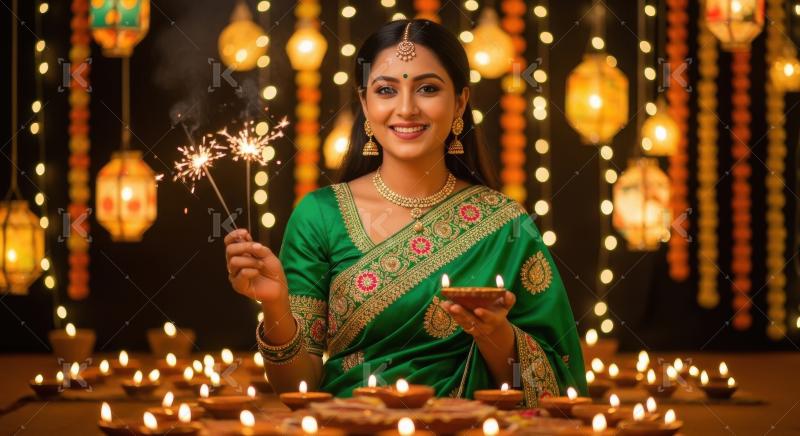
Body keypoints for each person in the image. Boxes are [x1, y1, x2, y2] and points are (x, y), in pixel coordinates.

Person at [224, 19, 586, 406]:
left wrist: (494, 333)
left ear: (460, 102)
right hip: (352, 430)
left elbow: (558, 385)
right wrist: (275, 306)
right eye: (386, 90)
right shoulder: (320, 216)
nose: (407, 108)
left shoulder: (504, 224)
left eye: (428, 89)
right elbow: (298, 389)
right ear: (365, 103)